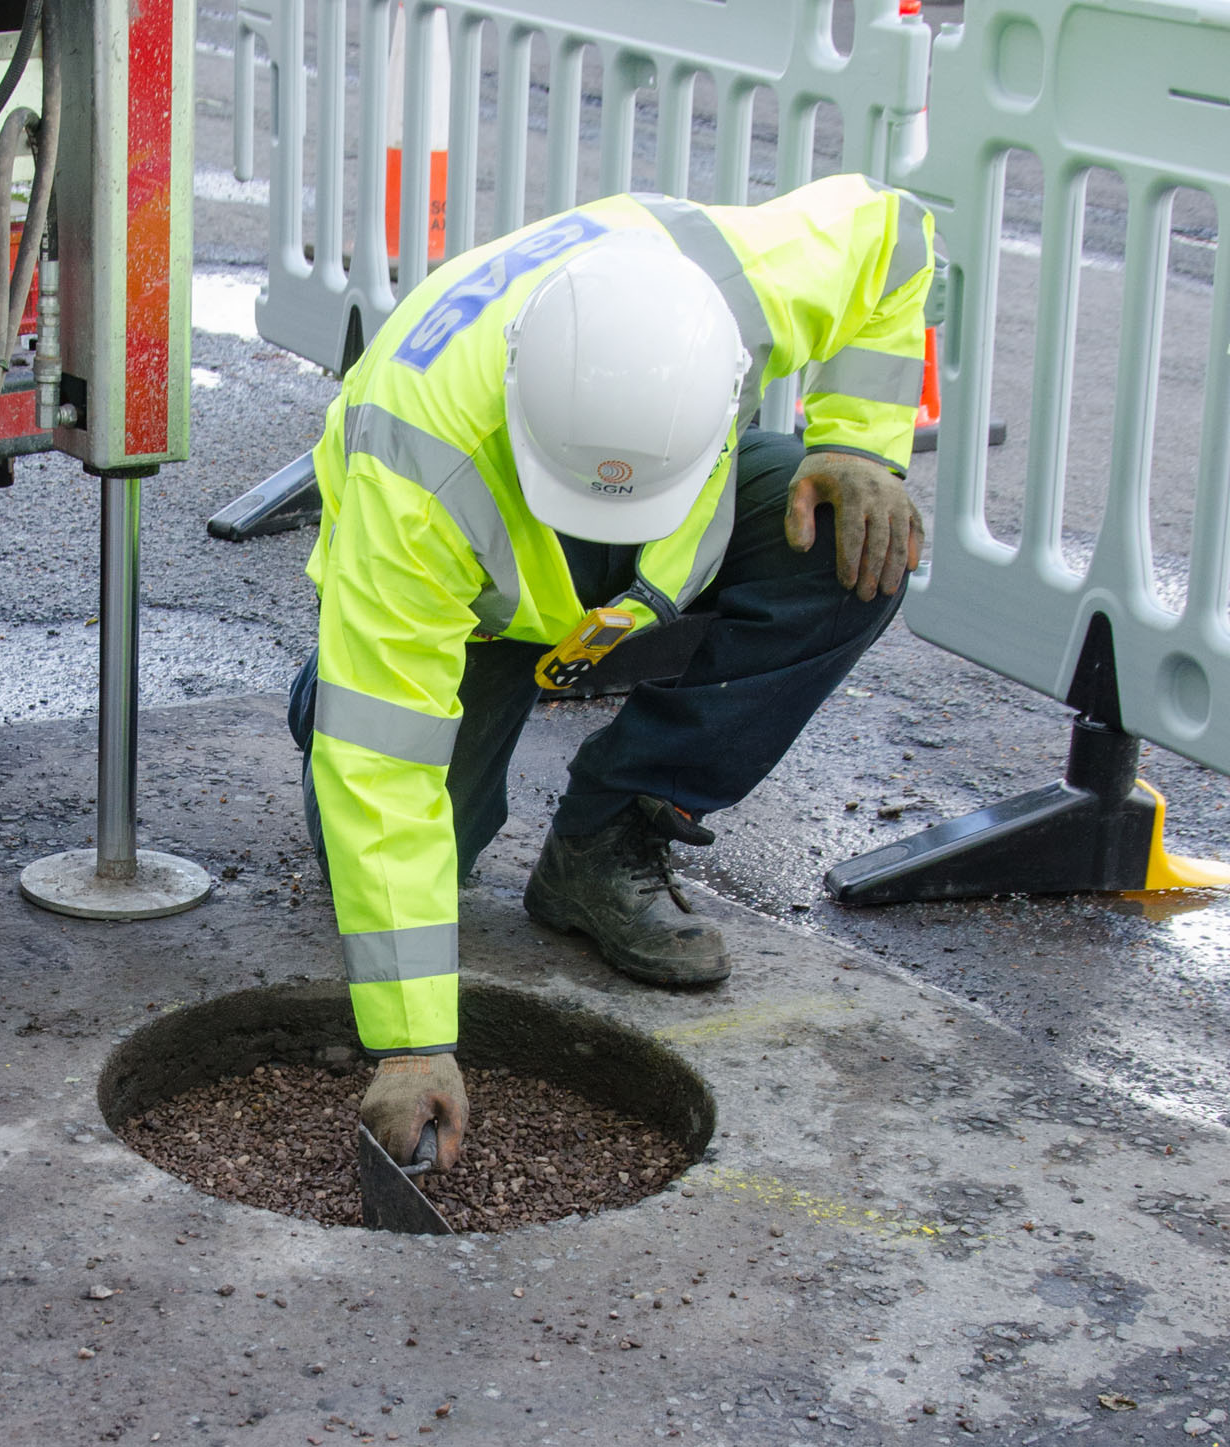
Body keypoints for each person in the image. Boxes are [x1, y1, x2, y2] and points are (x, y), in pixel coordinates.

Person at [288, 173, 934, 1170]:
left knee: (851, 556)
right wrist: (413, 1039)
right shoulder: (409, 478)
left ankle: (611, 835)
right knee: (384, 851)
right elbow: (383, 772)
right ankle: (332, 690)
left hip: (645, 565)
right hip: (475, 605)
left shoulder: (735, 286)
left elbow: (891, 234)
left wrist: (859, 444)